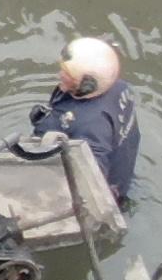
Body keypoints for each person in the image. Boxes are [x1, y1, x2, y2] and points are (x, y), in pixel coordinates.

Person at [30, 37, 141, 202]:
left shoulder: (92, 125)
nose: (60, 75)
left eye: (67, 74)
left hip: (108, 190)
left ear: (87, 84)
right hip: (120, 171)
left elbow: (93, 175)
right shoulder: (118, 88)